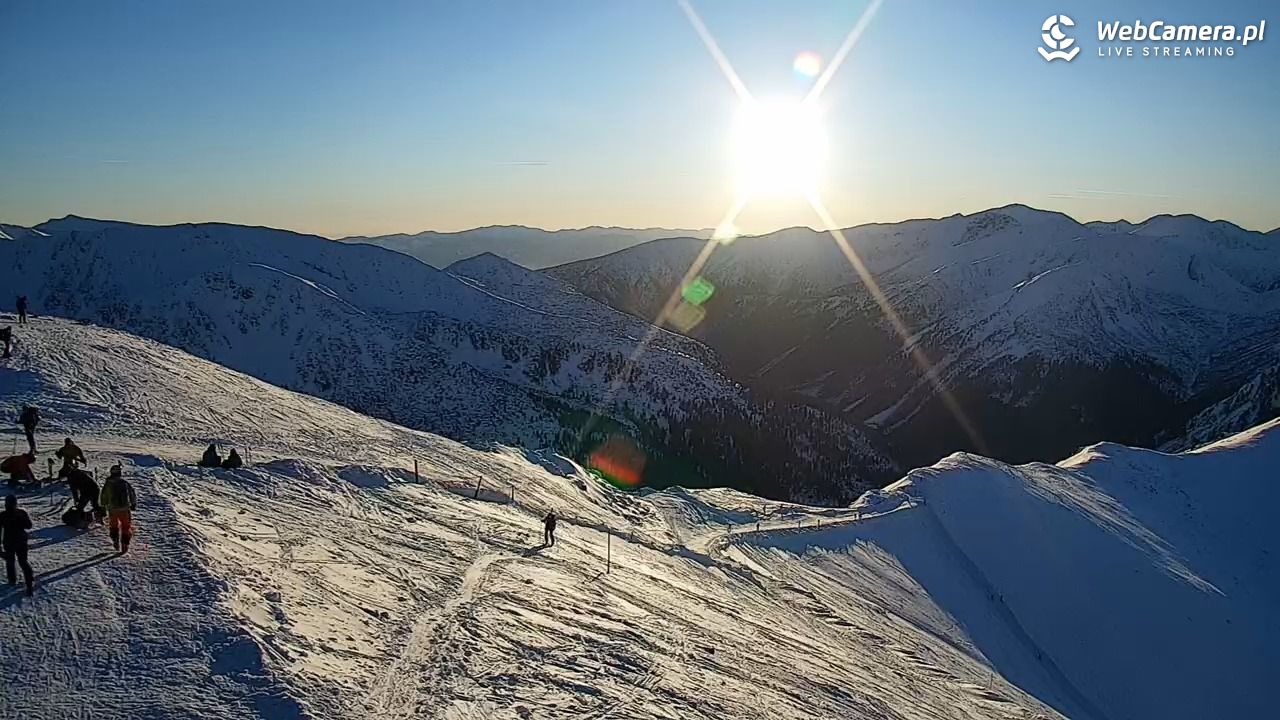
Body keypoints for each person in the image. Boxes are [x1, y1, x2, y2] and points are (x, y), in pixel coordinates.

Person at [1, 494, 34, 596]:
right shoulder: (21, 513)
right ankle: (29, 583)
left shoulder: (2, 515)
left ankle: (12, 580)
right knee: (23, 562)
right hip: (21, 540)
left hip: (9, 541)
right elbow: (29, 526)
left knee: (10, 561)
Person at [99, 465, 136, 553]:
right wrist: (133, 503)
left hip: (112, 509)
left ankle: (115, 539)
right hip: (124, 509)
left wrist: (103, 506)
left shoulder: (108, 484)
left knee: (113, 526)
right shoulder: (124, 483)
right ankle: (125, 544)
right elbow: (132, 493)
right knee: (126, 527)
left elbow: (103, 496)